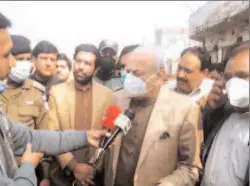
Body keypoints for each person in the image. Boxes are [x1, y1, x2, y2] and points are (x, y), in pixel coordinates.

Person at [0, 4, 110, 186]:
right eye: (6, 55)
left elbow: (32, 138)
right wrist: (28, 166)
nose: (13, 63)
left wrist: (85, 137)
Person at [104, 45, 203, 186]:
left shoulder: (185, 109)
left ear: (160, 75)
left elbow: (190, 168)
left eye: (137, 74)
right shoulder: (116, 100)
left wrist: (169, 184)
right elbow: (104, 140)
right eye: (128, 72)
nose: (130, 78)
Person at [47, 44, 114, 186]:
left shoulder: (108, 95)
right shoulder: (57, 92)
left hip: (94, 175)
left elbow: (109, 134)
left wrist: (93, 168)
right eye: (78, 61)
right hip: (62, 175)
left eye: (87, 63)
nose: (81, 67)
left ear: (95, 69)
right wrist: (73, 166)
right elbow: (52, 133)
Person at [200, 43, 249, 186]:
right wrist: (210, 108)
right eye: (228, 78)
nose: (233, 84)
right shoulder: (221, 114)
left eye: (242, 76)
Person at [0, 34, 48, 130]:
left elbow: (44, 132)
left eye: (28, 59)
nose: (25, 64)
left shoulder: (36, 92)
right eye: (20, 59)